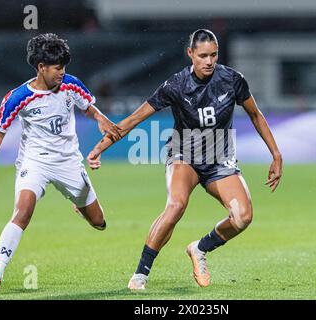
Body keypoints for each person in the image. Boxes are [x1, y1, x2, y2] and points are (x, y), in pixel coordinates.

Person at [87, 29, 283, 290]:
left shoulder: (232, 80)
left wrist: (276, 154)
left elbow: (256, 115)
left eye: (214, 55)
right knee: (177, 205)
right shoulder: (175, 86)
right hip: (184, 156)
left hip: (219, 159)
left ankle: (199, 249)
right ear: (190, 54)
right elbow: (133, 120)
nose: (209, 61)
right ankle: (140, 274)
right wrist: (100, 147)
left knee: (242, 217)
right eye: (203, 55)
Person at [0, 33, 121, 290]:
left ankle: (79, 204)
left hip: (69, 163)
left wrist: (100, 119)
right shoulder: (18, 97)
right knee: (23, 211)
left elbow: (87, 106)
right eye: (57, 67)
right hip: (35, 162)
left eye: (63, 67)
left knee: (99, 222)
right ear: (41, 67)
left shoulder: (71, 85)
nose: (62, 72)